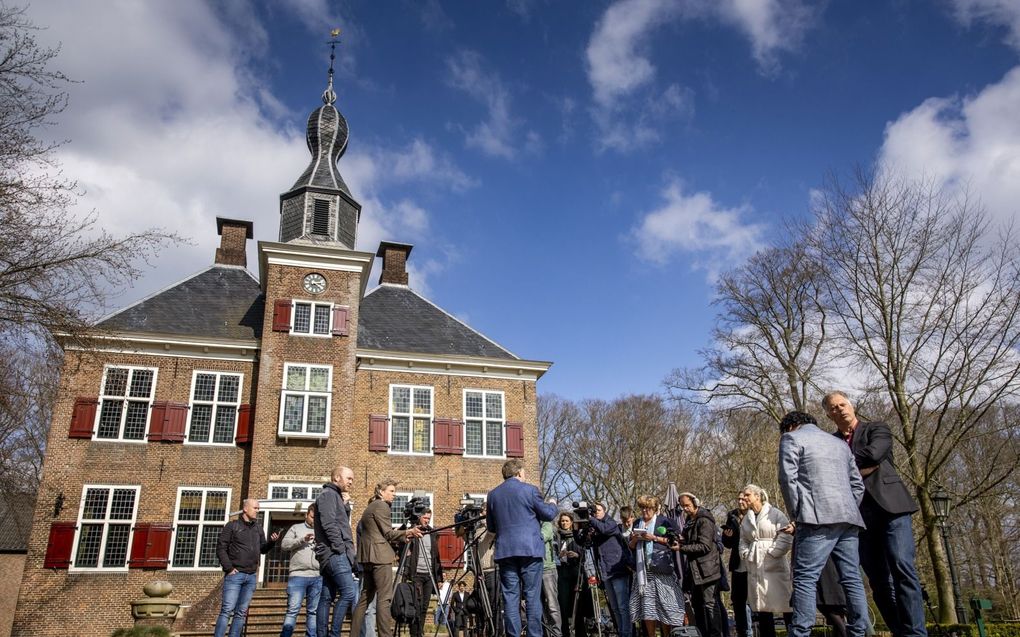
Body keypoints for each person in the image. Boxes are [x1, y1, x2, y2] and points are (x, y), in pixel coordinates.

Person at [824, 391, 928, 637]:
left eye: (843, 404)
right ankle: (898, 631)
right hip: (859, 517)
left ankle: (915, 633)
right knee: (879, 582)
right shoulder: (831, 443)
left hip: (891, 509)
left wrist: (846, 466)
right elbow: (829, 472)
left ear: (851, 405)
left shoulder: (877, 429)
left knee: (902, 567)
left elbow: (874, 453)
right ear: (829, 414)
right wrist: (859, 469)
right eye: (834, 407)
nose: (840, 409)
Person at [777, 410, 871, 637]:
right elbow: (857, 485)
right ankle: (859, 631)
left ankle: (800, 632)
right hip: (848, 518)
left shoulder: (791, 438)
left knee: (805, 577)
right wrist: (848, 507)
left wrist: (796, 513)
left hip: (815, 517)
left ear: (790, 427)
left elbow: (787, 478)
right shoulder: (839, 444)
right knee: (851, 578)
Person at [485, 458, 558, 637]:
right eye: (524, 472)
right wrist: (553, 504)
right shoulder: (530, 490)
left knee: (510, 598)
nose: (525, 475)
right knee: (532, 596)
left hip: (505, 551)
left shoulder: (493, 495)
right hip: (530, 550)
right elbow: (548, 514)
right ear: (518, 473)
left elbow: (491, 527)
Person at [350, 479, 423, 637]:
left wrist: (404, 536)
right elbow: (388, 533)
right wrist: (408, 532)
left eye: (394, 492)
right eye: (391, 491)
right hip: (379, 557)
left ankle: (354, 634)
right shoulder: (382, 506)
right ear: (381, 492)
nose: (394, 495)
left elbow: (378, 534)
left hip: (368, 557)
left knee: (364, 599)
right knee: (385, 599)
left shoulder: (370, 507)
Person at [214, 498, 280, 637]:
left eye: (258, 508)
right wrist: (229, 568)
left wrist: (272, 542)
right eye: (255, 508)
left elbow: (263, 549)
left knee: (241, 613)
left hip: (250, 576)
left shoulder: (258, 528)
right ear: (245, 509)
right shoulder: (232, 526)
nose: (258, 510)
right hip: (235, 575)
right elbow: (221, 548)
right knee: (227, 610)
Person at [738, 485, 793, 637]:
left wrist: (773, 552)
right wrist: (744, 553)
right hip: (755, 563)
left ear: (757, 496)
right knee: (762, 606)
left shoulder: (775, 514)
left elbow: (786, 535)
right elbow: (743, 539)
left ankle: (794, 633)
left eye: (747, 495)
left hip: (774, 564)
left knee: (785, 604)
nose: (744, 498)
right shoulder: (747, 519)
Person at [628, 494, 684, 637]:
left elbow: (676, 541)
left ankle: (666, 634)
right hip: (643, 572)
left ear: (655, 509)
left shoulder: (665, 521)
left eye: (648, 509)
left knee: (665, 606)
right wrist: (635, 540)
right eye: (643, 509)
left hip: (662, 569)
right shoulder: (637, 523)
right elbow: (631, 546)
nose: (645, 512)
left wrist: (654, 538)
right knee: (647, 608)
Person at [314, 466, 359, 637]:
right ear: (337, 478)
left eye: (352, 479)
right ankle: (334, 634)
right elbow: (329, 525)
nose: (351, 482)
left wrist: (345, 506)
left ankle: (323, 634)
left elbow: (341, 522)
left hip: (332, 555)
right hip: (335, 555)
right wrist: (340, 549)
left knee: (326, 597)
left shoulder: (335, 497)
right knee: (348, 592)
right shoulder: (328, 495)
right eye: (349, 478)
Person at [677, 493, 723, 637]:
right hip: (694, 570)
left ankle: (716, 634)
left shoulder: (704, 520)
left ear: (695, 503)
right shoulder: (690, 520)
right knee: (697, 605)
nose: (685, 509)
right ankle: (702, 633)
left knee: (710, 604)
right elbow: (691, 541)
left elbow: (704, 546)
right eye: (683, 506)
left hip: (707, 569)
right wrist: (681, 540)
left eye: (687, 506)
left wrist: (681, 548)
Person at [589, 502, 634, 637]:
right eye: (594, 511)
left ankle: (627, 633)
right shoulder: (595, 526)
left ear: (604, 511)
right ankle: (621, 632)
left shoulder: (611, 523)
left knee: (623, 606)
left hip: (618, 569)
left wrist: (591, 519)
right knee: (614, 607)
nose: (596, 512)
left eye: (598, 510)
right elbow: (583, 541)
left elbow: (605, 530)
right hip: (605, 571)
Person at [281, 504, 322, 637]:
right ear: (306, 515)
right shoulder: (296, 528)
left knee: (313, 612)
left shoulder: (321, 531)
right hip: (298, 575)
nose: (314, 520)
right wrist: (301, 540)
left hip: (317, 576)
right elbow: (284, 545)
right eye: (312, 517)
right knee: (293, 610)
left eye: (317, 518)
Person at [401, 508, 443, 637]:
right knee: (417, 606)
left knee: (425, 606)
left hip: (429, 575)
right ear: (419, 517)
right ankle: (415, 633)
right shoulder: (413, 532)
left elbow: (436, 557)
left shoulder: (432, 533)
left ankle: (420, 632)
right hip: (416, 574)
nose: (427, 521)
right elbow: (403, 551)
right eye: (425, 518)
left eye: (428, 518)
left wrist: (439, 577)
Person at [722, 491, 752, 637]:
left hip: (754, 563)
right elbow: (727, 544)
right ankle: (742, 632)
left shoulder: (756, 515)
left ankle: (752, 630)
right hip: (738, 563)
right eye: (738, 499)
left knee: (755, 600)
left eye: (743, 499)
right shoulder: (732, 515)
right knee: (738, 600)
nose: (740, 501)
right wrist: (728, 537)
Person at [556, 512, 582, 637]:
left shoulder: (577, 536)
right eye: (562, 521)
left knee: (577, 603)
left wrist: (577, 555)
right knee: (563, 604)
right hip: (562, 572)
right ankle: (565, 632)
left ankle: (580, 632)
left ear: (571, 522)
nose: (564, 523)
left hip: (575, 571)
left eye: (566, 521)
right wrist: (558, 556)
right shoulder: (557, 537)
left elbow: (585, 554)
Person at [541, 499, 564, 637]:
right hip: (533, 568)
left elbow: (544, 536)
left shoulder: (545, 522)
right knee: (537, 606)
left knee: (552, 605)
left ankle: (556, 634)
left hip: (547, 569)